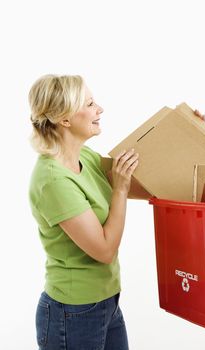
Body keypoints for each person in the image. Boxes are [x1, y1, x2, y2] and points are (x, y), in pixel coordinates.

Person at [28, 74, 148, 349]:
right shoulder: (53, 181)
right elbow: (105, 250)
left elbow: (145, 185)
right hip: (72, 315)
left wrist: (187, 134)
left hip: (107, 302)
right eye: (90, 103)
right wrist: (119, 191)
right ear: (65, 119)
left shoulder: (86, 157)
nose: (100, 109)